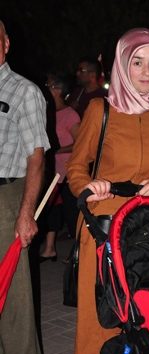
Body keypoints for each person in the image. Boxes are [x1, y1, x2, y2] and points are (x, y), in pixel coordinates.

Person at [67, 28, 149, 354]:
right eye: (137, 62)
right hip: (104, 223)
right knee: (107, 314)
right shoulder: (100, 109)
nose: (147, 71)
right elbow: (76, 166)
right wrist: (88, 188)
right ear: (122, 65)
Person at [0, 20, 49, 354]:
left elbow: (36, 156)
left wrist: (26, 212)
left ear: (5, 44)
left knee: (15, 284)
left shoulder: (24, 91)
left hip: (10, 193)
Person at [39, 73, 80, 261]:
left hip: (68, 173)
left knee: (73, 214)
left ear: (57, 89)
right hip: (51, 172)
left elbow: (81, 143)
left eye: (48, 85)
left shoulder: (70, 114)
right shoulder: (47, 112)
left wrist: (57, 150)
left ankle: (80, 254)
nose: (45, 88)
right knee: (52, 211)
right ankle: (49, 249)